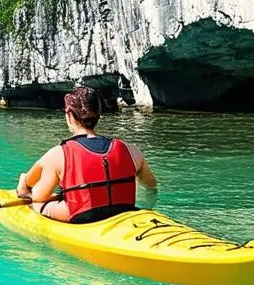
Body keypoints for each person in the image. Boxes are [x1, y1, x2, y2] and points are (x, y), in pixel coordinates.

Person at [16, 86, 157, 223]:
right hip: (125, 210)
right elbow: (151, 185)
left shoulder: (58, 154)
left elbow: (40, 196)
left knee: (37, 205)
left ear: (70, 116)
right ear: (98, 114)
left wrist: (25, 190)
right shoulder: (131, 150)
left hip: (83, 216)